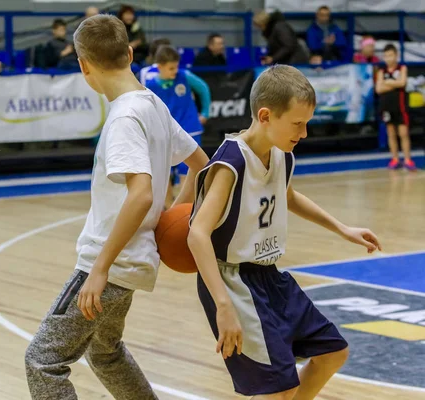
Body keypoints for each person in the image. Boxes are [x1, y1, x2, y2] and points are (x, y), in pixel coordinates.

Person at [24, 14, 209, 400]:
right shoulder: (153, 104)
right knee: (105, 353)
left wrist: (100, 268)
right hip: (134, 261)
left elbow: (140, 194)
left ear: (83, 65)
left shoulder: (125, 116)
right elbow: (201, 165)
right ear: (129, 52)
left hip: (108, 264)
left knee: (42, 360)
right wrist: (168, 219)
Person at [187, 65, 382, 399]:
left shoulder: (282, 155)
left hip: (270, 276)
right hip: (233, 282)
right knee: (281, 388)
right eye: (298, 124)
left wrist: (342, 228)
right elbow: (197, 234)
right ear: (265, 115)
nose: (304, 133)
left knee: (333, 353)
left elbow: (287, 196)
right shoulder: (231, 163)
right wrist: (223, 305)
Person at [145, 45, 211, 208]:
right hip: (165, 133)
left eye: (176, 67)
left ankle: (185, 211)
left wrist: (205, 112)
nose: (175, 71)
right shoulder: (150, 85)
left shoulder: (185, 76)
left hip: (189, 129)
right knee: (164, 174)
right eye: (171, 68)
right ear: (159, 67)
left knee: (188, 173)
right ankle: (166, 210)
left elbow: (204, 89)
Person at [376, 44, 415, 171]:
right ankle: (395, 159)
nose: (388, 58)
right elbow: (378, 89)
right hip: (387, 106)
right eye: (386, 56)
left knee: (403, 133)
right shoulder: (382, 71)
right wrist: (394, 84)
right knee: (391, 133)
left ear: (396, 55)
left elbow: (402, 83)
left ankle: (408, 159)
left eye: (391, 55)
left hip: (401, 106)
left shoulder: (402, 68)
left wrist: (386, 83)